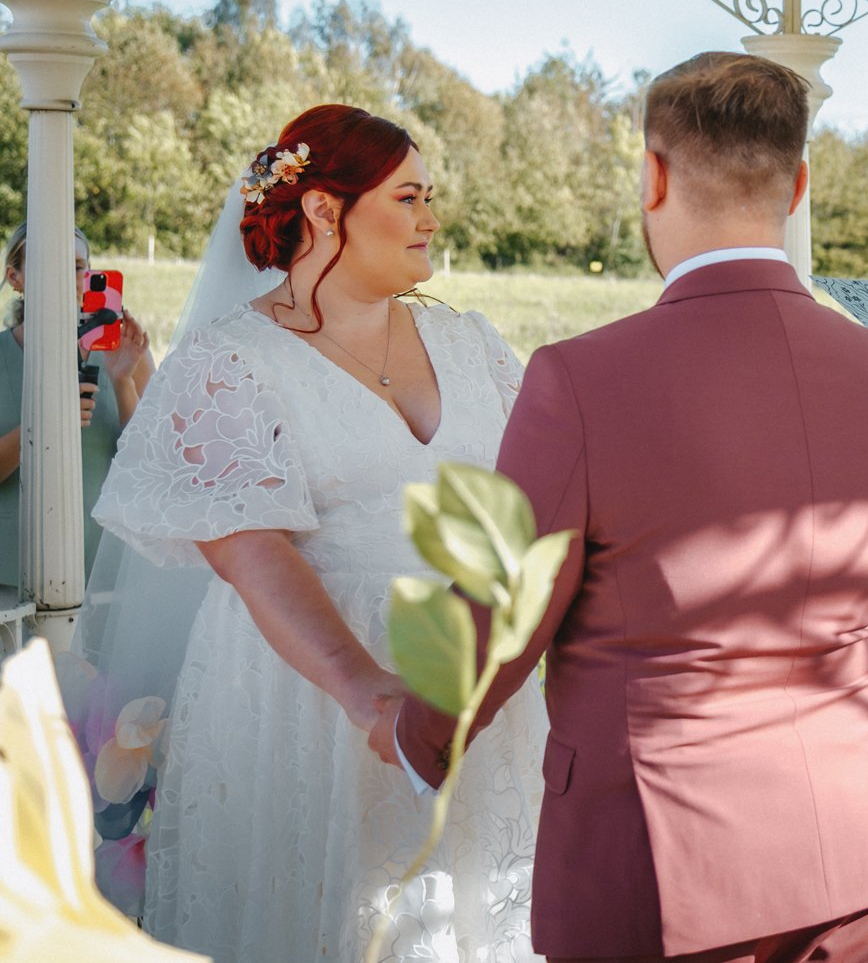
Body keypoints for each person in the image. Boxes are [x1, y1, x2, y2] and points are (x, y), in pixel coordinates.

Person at [391, 51, 868, 963]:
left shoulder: (580, 377)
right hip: (854, 846)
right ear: (798, 184)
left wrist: (418, 739)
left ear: (652, 174)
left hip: (661, 865)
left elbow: (501, 608)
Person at [87, 104, 546, 960]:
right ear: (325, 210)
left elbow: (543, 498)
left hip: (474, 687)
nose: (430, 218)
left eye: (429, 196)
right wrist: (365, 688)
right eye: (408, 196)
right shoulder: (233, 361)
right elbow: (250, 550)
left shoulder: (472, 341)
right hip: (308, 695)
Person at [0, 223, 153, 588]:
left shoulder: (126, 355)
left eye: (76, 266)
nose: (63, 275)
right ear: (15, 277)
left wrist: (122, 382)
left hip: (103, 565)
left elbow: (149, 464)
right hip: (10, 570)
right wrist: (47, 420)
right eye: (46, 263)